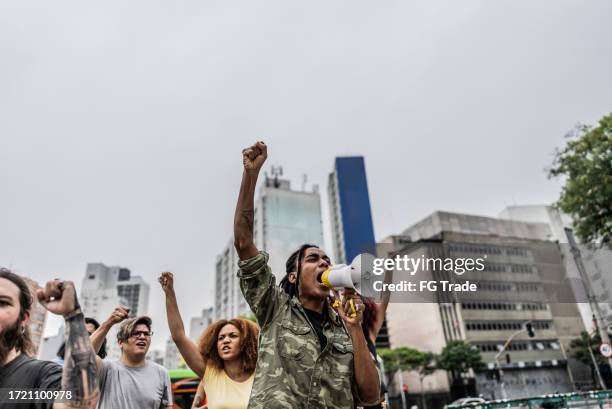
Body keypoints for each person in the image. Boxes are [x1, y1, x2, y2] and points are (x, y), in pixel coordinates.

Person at [233, 141, 383, 409]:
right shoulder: (275, 308)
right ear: (293, 276)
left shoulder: (346, 327)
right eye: (313, 259)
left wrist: (355, 327)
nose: (324, 264)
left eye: (327, 260)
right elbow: (244, 243)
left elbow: (371, 397)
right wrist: (251, 175)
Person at [0, 268, 99, 409]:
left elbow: (78, 404)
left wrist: (73, 315)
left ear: (23, 318)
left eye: (2, 302)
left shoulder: (37, 379)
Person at [159, 271, 259, 409]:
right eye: (221, 338)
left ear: (247, 342)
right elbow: (178, 336)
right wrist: (169, 292)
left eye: (233, 336)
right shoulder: (210, 373)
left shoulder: (261, 373)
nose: (225, 340)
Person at [89, 309, 173, 409]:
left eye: (146, 333)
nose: (142, 337)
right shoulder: (105, 368)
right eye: (135, 333)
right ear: (120, 342)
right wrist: (108, 323)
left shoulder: (161, 373)